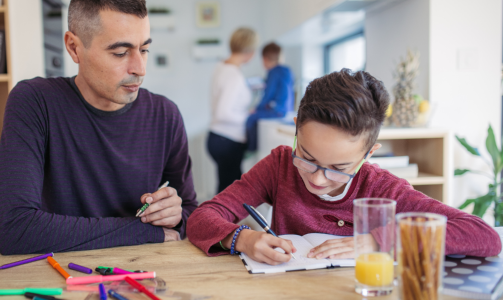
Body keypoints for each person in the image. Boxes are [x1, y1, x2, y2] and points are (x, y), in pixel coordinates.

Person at [187, 69, 501, 265]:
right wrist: (241, 238)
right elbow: (202, 217)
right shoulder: (279, 165)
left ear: (369, 154)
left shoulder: (382, 188)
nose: (319, 179)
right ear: (296, 130)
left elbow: (483, 235)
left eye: (339, 167)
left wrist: (377, 240)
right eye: (307, 158)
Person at [0, 0, 198, 255]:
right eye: (121, 53)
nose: (140, 69)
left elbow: (191, 214)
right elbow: (15, 229)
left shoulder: (165, 115)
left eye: (143, 49)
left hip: (144, 274)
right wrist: (143, 231)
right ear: (74, 47)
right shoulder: (34, 102)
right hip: (59, 276)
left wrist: (175, 215)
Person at [207, 27, 258, 194]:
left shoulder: (221, 67)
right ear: (249, 50)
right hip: (227, 141)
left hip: (217, 138)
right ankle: (217, 221)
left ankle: (218, 220)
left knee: (226, 191)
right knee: (229, 194)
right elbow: (224, 112)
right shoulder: (234, 75)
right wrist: (248, 116)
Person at [246, 42, 294, 152]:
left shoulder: (273, 72)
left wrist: (256, 109)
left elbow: (268, 95)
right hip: (286, 110)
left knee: (250, 119)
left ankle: (251, 149)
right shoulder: (287, 70)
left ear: (264, 59)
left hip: (276, 110)